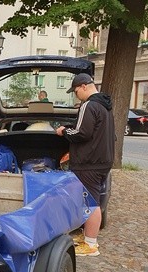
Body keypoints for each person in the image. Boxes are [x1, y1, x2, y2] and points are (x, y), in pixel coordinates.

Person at [55, 73, 115, 257]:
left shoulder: (89, 105)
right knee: (90, 198)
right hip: (101, 160)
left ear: (82, 86)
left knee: (91, 202)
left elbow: (82, 132)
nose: (75, 95)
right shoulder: (104, 106)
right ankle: (87, 236)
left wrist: (63, 131)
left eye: (75, 91)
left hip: (89, 162)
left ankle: (90, 244)